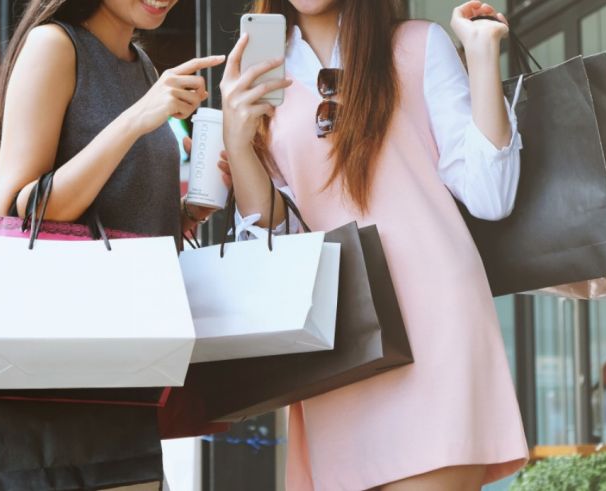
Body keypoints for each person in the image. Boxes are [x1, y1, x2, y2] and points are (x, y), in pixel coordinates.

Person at [220, 1, 529, 489]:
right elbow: (272, 245)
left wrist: (482, 56)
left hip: (436, 329)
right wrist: (238, 143)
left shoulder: (417, 45)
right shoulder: (262, 75)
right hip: (339, 343)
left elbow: (492, 197)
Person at [0, 0, 227, 241]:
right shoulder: (53, 45)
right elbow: (19, 209)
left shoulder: (144, 67)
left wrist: (193, 209)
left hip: (149, 281)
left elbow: (131, 225)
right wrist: (134, 119)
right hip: (82, 283)